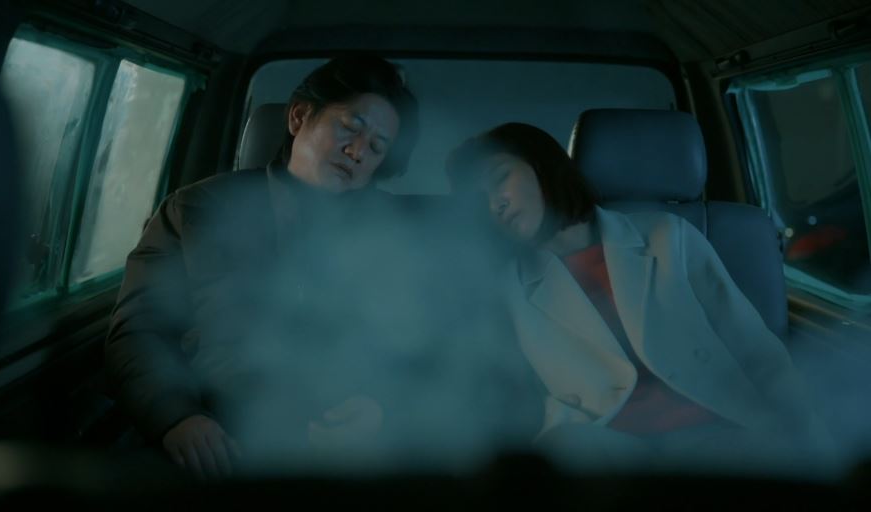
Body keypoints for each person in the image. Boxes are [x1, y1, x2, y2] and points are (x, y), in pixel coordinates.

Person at [445, 122, 834, 473]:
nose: (494, 203)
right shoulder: (506, 287)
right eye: (478, 199)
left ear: (541, 166)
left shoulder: (668, 237)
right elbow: (497, 395)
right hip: (605, 449)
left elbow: (753, 348)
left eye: (500, 178)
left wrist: (812, 442)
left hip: (717, 433)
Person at [105, 55, 419, 479]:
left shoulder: (398, 234)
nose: (358, 151)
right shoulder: (197, 209)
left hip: (346, 453)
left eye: (378, 147)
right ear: (299, 116)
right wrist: (177, 417)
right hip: (219, 441)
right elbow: (141, 329)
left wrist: (382, 409)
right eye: (350, 126)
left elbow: (427, 345)